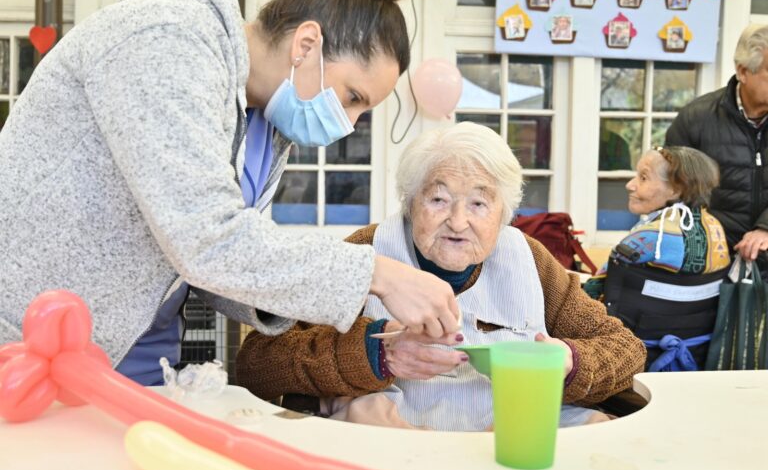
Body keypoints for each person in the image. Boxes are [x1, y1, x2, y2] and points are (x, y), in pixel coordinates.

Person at [0, 0, 460, 386]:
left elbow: (221, 265)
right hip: (30, 344)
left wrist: (360, 317)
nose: (350, 122)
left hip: (127, 352)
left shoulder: (265, 124)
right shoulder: (165, 38)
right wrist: (377, 274)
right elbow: (207, 239)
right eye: (353, 96)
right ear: (305, 44)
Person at [237, 122, 646, 431]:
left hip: (508, 440)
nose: (458, 221)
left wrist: (569, 362)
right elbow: (259, 363)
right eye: (438, 198)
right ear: (410, 202)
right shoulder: (366, 250)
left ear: (504, 213)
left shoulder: (528, 259)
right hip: (397, 446)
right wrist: (377, 354)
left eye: (479, 204)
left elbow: (625, 350)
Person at [666, 23, 768, 270]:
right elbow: (672, 191)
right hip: (711, 263)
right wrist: (706, 242)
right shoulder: (695, 119)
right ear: (743, 71)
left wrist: (765, 228)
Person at [584, 147, 731, 300]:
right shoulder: (714, 226)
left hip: (636, 322)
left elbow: (592, 291)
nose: (630, 185)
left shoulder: (654, 235)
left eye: (643, 178)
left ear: (675, 189)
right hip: (695, 322)